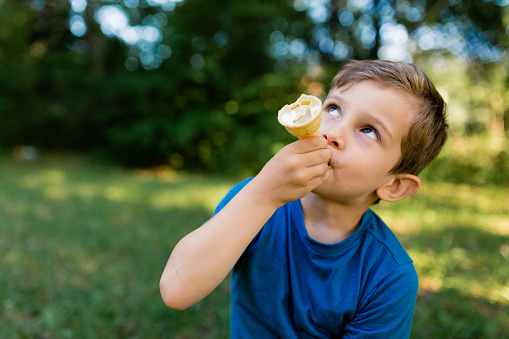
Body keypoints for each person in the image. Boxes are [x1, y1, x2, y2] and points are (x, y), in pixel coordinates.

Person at [160, 60, 448, 338]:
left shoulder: (389, 277)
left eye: (368, 131)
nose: (332, 132)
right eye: (333, 108)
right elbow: (176, 289)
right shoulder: (253, 199)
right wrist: (263, 195)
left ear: (394, 185)